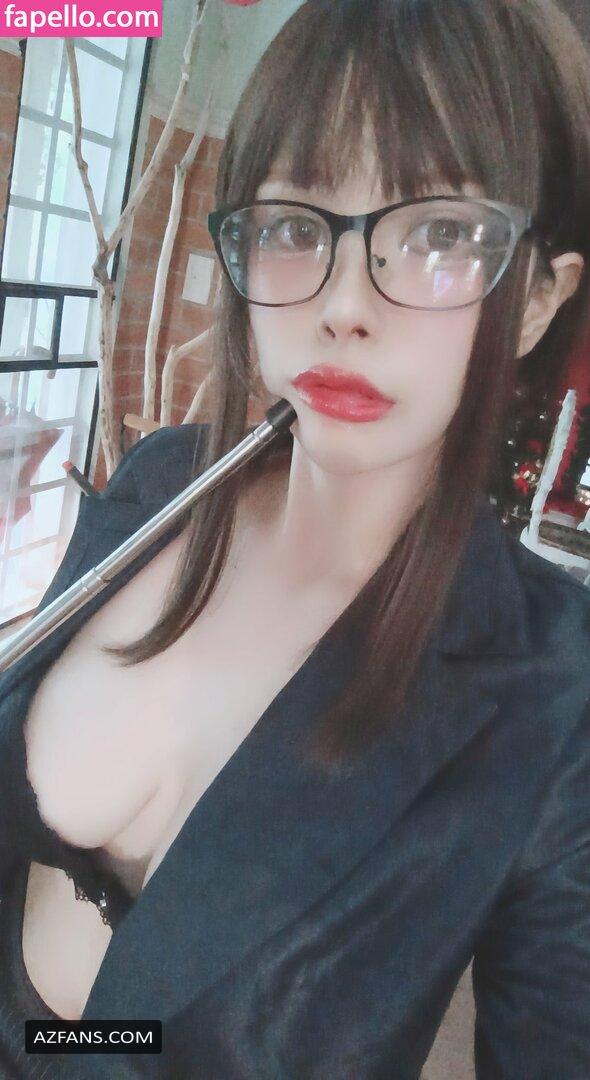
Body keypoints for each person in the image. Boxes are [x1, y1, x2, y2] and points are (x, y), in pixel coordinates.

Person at [1, 0, 589, 1075]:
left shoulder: (558, 687)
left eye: (439, 233)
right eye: (294, 225)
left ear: (541, 298)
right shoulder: (164, 481)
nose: (343, 307)